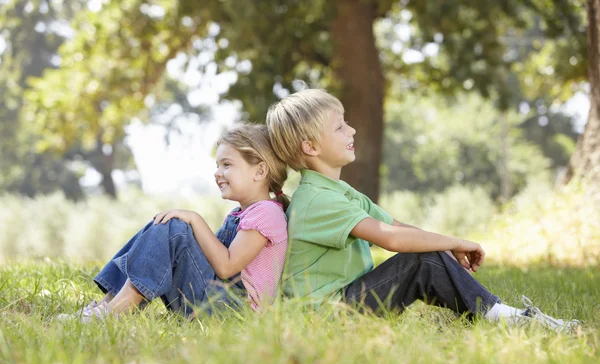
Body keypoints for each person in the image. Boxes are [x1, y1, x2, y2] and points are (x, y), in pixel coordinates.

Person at [266, 88, 579, 333]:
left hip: (342, 304)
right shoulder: (317, 200)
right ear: (311, 147)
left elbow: (399, 227)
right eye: (340, 127)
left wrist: (445, 244)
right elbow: (393, 240)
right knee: (422, 257)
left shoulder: (338, 192)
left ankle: (488, 315)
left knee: (428, 251)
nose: (352, 131)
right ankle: (506, 318)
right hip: (325, 318)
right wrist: (454, 242)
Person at [59, 124, 289, 321]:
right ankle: (108, 304)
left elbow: (227, 266)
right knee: (168, 225)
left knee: (175, 229)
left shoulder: (267, 213)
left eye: (227, 165)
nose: (217, 173)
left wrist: (195, 220)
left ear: (260, 171)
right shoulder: (240, 214)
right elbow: (207, 258)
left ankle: (118, 309)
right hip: (217, 299)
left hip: (234, 311)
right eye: (217, 165)